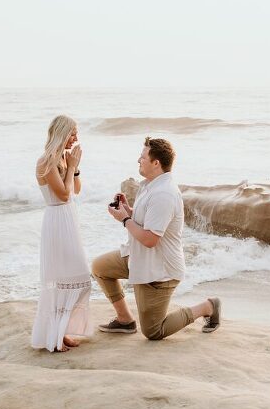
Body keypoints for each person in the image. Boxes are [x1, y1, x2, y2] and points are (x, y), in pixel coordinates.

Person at [92, 136, 221, 340]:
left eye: (142, 157)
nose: (138, 160)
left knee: (154, 331)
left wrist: (125, 219)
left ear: (156, 163)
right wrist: (129, 211)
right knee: (100, 267)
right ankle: (125, 320)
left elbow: (150, 239)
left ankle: (208, 306)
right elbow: (149, 222)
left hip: (160, 271)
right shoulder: (151, 185)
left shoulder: (164, 194)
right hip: (138, 257)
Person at [31, 115, 92, 352]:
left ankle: (62, 331)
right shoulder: (45, 161)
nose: (76, 138)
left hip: (68, 218)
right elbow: (63, 195)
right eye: (72, 133)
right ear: (61, 133)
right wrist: (73, 166)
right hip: (56, 219)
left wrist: (73, 168)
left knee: (78, 277)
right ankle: (54, 337)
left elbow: (75, 188)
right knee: (59, 278)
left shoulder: (64, 160)